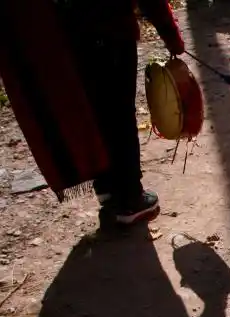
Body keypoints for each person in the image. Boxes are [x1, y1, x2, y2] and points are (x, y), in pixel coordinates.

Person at [0, 0, 185, 225]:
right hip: (110, 30)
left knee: (95, 113)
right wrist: (171, 35)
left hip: (67, 36)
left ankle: (107, 188)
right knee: (120, 116)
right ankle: (130, 200)